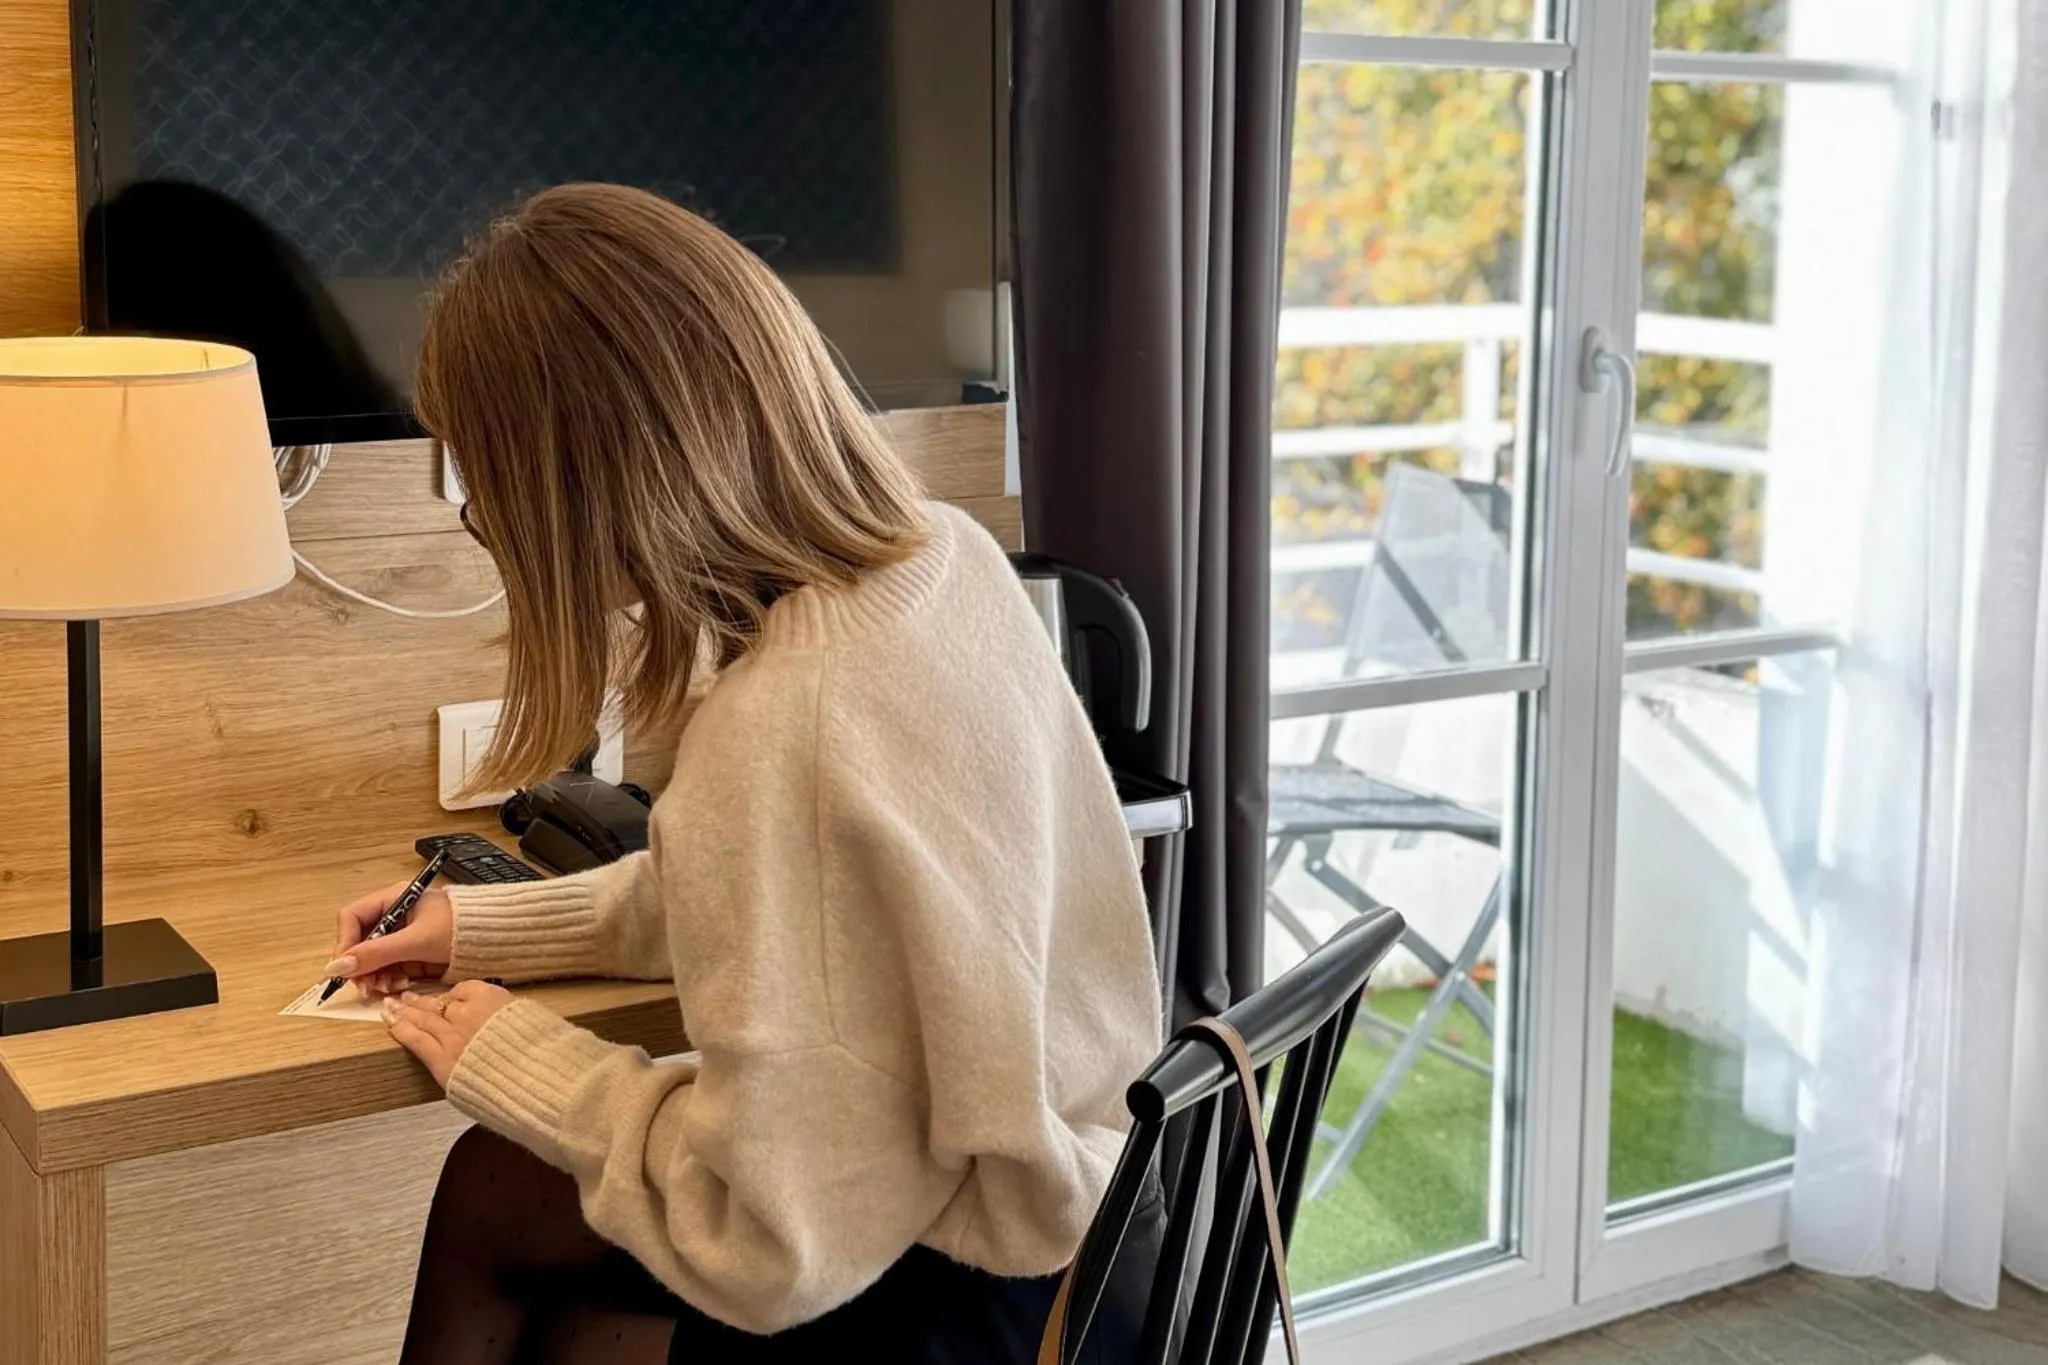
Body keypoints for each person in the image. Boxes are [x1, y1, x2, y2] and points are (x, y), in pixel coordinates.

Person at [321, 183, 1164, 1364]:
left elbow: (763, 1249)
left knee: (492, 1187)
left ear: (579, 476)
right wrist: (488, 926)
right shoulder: (942, 559)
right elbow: (796, 902)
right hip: (1085, 1236)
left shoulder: (782, 722)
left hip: (942, 1300)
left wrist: (519, 1058)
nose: (474, 521)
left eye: (478, 474)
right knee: (523, 1233)